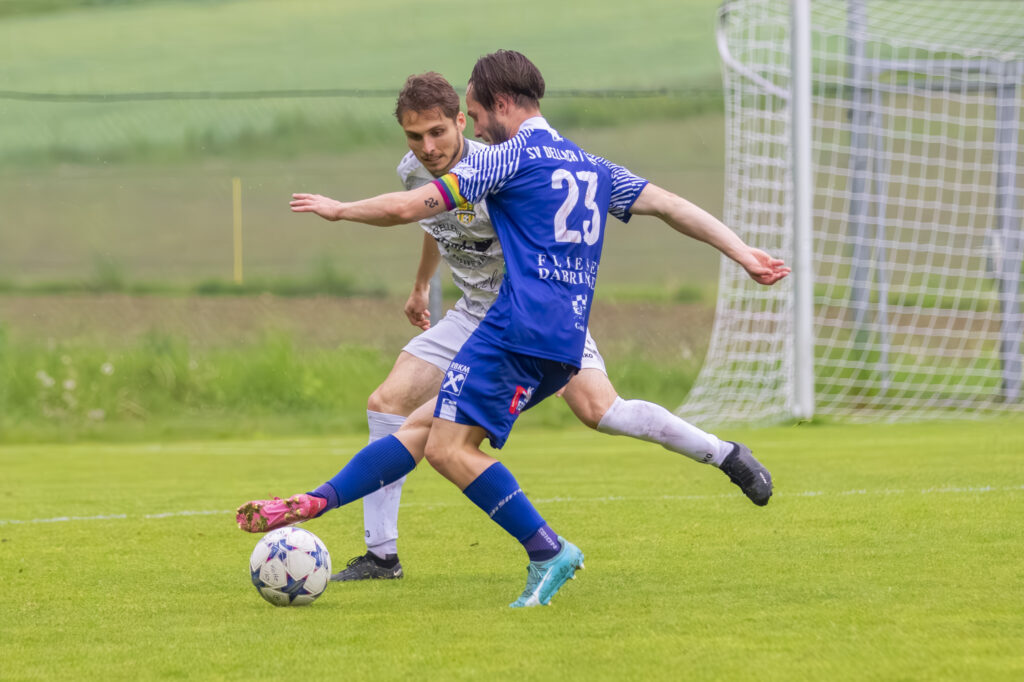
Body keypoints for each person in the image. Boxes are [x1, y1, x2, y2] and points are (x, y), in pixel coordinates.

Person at [237, 50, 789, 608]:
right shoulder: (592, 164)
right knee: (413, 419)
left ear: (498, 106)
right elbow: (669, 204)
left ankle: (552, 547)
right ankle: (353, 530)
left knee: (468, 443)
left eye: (474, 117)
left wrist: (338, 210)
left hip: (516, 324)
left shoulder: (505, 159)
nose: (474, 131)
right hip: (545, 326)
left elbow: (409, 209)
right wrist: (743, 252)